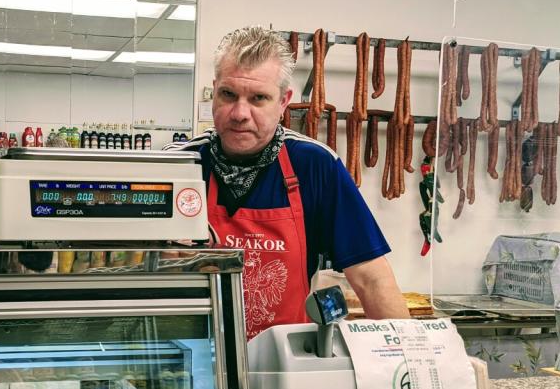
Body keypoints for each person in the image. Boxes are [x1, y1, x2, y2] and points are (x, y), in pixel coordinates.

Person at [170, 26, 408, 339]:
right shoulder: (179, 165)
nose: (240, 113)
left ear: (283, 102)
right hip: (194, 361)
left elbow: (371, 278)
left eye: (259, 98)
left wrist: (412, 365)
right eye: (228, 94)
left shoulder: (315, 165)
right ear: (214, 90)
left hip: (285, 364)